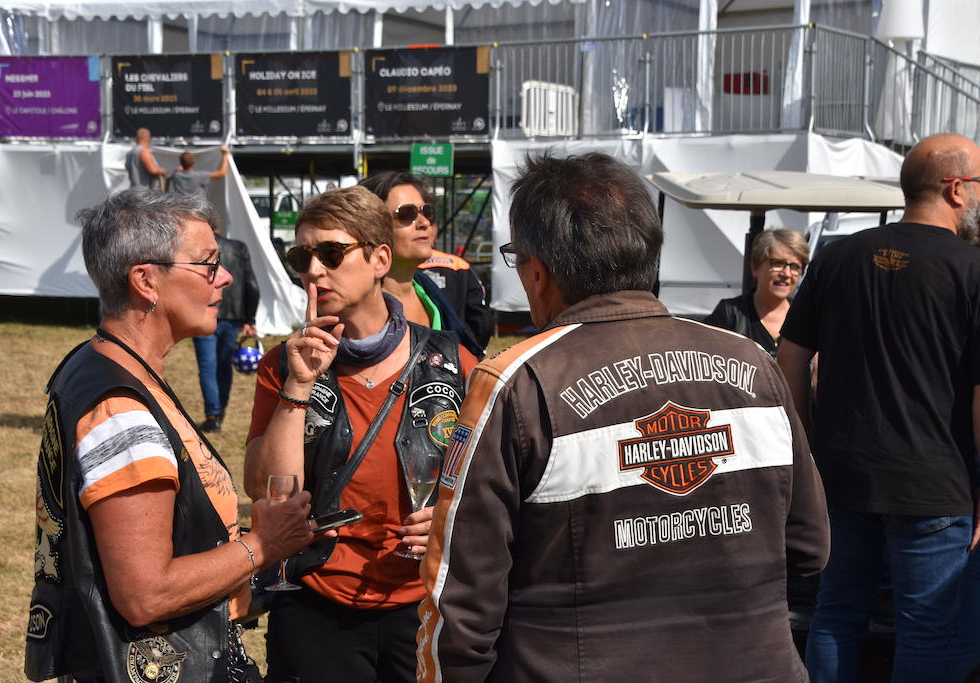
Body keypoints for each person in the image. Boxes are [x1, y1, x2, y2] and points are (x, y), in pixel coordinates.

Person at [417, 152, 829, 682]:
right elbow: (809, 549)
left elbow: (461, 603)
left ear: (537, 272)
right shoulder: (753, 364)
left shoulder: (515, 383)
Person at [24, 190, 320, 683]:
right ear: (146, 281)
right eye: (208, 264)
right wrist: (262, 545)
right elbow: (145, 595)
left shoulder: (101, 364)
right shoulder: (121, 411)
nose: (224, 277)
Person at [244, 186, 477, 683]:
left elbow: (489, 484)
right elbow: (267, 489)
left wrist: (451, 517)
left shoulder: (455, 363)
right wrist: (298, 386)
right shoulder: (283, 366)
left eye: (331, 253)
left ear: (380, 260)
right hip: (315, 601)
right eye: (301, 257)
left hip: (424, 604)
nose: (313, 271)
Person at [777, 132, 980, 682]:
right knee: (927, 627)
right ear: (956, 189)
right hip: (936, 485)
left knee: (836, 614)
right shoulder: (972, 268)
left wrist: (808, 450)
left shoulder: (837, 257)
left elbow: (790, 359)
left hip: (842, 476)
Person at [359, 171, 486, 358]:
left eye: (427, 212)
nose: (424, 222)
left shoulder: (432, 295)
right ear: (371, 227)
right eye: (406, 214)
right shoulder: (356, 308)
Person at [704, 228, 808, 358]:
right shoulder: (729, 314)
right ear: (755, 267)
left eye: (794, 266)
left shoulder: (806, 318)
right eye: (778, 263)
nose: (786, 273)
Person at [194, 224, 259, 433]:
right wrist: (250, 319)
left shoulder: (199, 247)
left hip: (206, 311)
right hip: (233, 316)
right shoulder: (238, 247)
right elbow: (251, 284)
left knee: (207, 366)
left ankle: (213, 415)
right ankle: (220, 411)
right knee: (224, 365)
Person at [419, 249, 494, 352]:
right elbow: (482, 318)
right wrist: (476, 349)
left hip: (419, 347)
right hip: (459, 347)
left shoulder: (406, 267)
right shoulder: (460, 265)